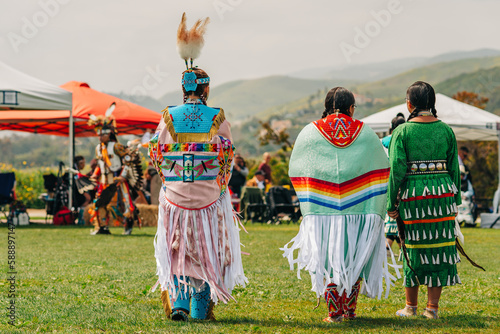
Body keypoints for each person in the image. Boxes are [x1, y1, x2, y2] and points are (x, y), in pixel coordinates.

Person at [148, 13, 247, 322]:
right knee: (205, 250)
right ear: (205, 90)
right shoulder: (218, 117)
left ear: (183, 89)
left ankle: (178, 302)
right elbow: (226, 160)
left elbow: (155, 153)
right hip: (207, 201)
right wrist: (216, 186)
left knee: (176, 246)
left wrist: (170, 184)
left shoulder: (167, 117)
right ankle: (199, 307)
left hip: (174, 200)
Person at [282, 87, 399, 323]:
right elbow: (381, 165)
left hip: (321, 210)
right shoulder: (365, 133)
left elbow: (297, 167)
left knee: (326, 257)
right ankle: (350, 309)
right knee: (355, 254)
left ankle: (334, 312)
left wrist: (311, 196)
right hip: (360, 210)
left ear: (326, 107)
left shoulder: (310, 132)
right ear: (351, 108)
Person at [387, 81, 462, 319]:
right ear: (433, 103)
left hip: (414, 196)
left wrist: (391, 203)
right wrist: (456, 200)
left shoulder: (402, 131)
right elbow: (454, 169)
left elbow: (396, 170)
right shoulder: (446, 130)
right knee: (438, 246)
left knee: (414, 246)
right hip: (442, 195)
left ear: (409, 104)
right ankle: (433, 308)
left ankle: (410, 307)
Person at [87, 104, 143, 235]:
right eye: (99, 134)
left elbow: (129, 159)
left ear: (109, 134)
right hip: (104, 181)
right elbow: (100, 165)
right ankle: (102, 227)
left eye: (103, 134)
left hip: (118, 179)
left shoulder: (116, 146)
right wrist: (95, 175)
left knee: (125, 203)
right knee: (100, 203)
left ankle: (128, 226)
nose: (100, 137)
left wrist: (123, 175)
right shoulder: (98, 148)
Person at [382, 114, 406, 255]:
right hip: (403, 184)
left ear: (391, 128)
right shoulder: (406, 140)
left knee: (391, 214)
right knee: (402, 215)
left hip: (385, 183)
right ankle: (402, 247)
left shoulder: (382, 142)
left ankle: (393, 247)